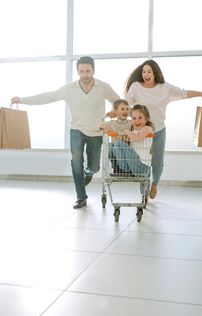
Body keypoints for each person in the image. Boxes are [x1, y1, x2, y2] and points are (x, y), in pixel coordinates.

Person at [11, 56, 120, 209]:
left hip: (96, 130)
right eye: (81, 71)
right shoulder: (70, 89)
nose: (85, 74)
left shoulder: (103, 87)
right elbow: (48, 96)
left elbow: (117, 101)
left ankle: (88, 173)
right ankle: (81, 197)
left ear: (93, 71)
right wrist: (22, 99)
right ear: (78, 71)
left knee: (94, 167)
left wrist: (116, 111)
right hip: (76, 129)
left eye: (88, 71)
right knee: (76, 160)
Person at [124, 59, 202, 199]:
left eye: (149, 71)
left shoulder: (165, 88)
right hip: (140, 131)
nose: (146, 74)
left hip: (158, 130)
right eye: (144, 71)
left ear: (155, 73)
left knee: (157, 161)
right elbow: (126, 105)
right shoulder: (135, 87)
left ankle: (154, 184)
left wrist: (200, 93)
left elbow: (183, 93)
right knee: (142, 159)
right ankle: (143, 188)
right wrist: (118, 114)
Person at [112, 104, 153, 179]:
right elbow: (132, 145)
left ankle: (123, 170)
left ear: (146, 119)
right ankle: (119, 169)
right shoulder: (133, 131)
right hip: (132, 165)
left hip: (142, 166)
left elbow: (138, 139)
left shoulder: (147, 128)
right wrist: (125, 140)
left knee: (118, 143)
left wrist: (127, 131)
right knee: (112, 145)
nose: (137, 120)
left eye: (140, 118)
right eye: (134, 118)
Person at [100, 99, 132, 174]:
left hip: (127, 151)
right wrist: (106, 125)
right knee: (110, 145)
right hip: (115, 152)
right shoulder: (111, 123)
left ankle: (124, 170)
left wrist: (132, 114)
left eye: (127, 109)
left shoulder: (131, 123)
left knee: (117, 145)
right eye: (122, 109)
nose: (125, 111)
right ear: (115, 111)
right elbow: (101, 125)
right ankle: (116, 167)